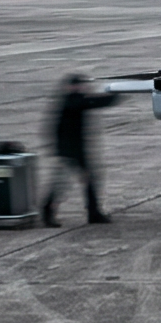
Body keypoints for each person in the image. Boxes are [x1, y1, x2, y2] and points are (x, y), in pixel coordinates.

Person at [42, 73, 121, 226]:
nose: (84, 87)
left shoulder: (72, 99)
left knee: (84, 180)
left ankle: (93, 213)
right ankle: (49, 212)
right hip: (70, 150)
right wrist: (116, 94)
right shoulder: (72, 100)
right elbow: (94, 102)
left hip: (73, 149)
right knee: (64, 182)